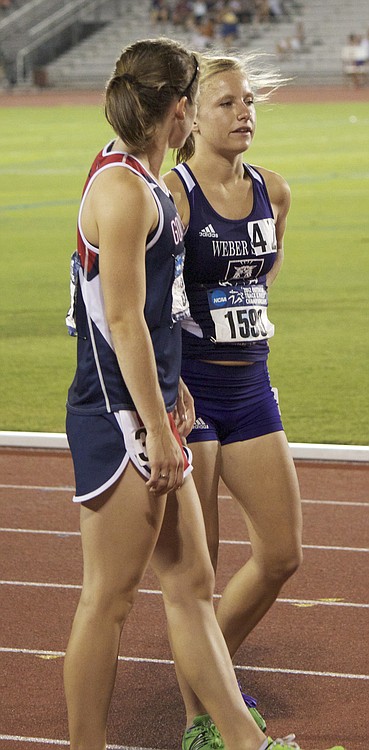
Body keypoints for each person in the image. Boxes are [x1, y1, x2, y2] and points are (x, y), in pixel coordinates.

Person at [63, 37, 301, 750]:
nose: (229, 112)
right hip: (119, 416)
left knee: (192, 584)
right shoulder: (127, 189)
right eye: (206, 101)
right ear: (178, 111)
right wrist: (162, 427)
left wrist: (171, 395)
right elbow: (124, 319)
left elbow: (143, 313)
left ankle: (239, 739)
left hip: (155, 403)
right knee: (107, 600)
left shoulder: (131, 177)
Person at [164, 53, 344, 750]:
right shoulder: (173, 197)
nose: (243, 114)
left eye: (249, 102)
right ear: (190, 116)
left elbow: (257, 286)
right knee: (197, 574)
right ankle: (201, 720)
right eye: (225, 104)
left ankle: (211, 676)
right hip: (191, 394)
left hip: (249, 386)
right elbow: (155, 306)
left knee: (280, 554)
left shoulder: (276, 191)